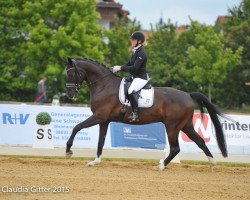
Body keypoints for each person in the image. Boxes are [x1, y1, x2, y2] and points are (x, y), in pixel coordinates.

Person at [113, 31, 149, 122]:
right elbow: (129, 64)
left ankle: (135, 113)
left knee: (130, 90)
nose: (131, 41)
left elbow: (134, 68)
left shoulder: (141, 53)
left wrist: (121, 67)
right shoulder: (135, 51)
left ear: (139, 41)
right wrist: (117, 68)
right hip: (135, 77)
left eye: (133, 40)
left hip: (141, 78)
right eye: (132, 39)